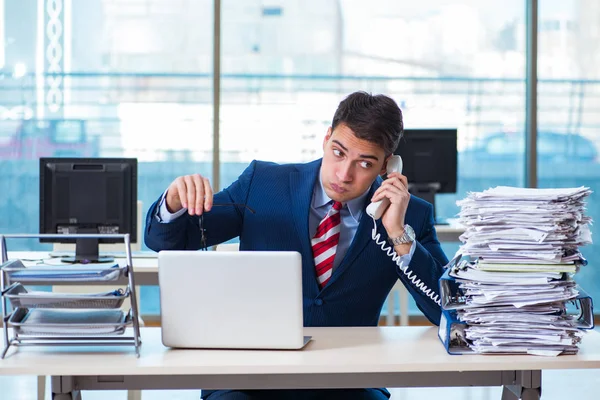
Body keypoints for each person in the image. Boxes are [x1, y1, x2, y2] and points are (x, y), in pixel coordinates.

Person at [145, 91, 449, 400]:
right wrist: (172, 202)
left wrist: (397, 232)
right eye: (339, 153)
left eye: (365, 163)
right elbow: (165, 240)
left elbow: (446, 311)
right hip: (248, 379)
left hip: (348, 381)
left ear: (387, 166)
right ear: (327, 138)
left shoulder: (410, 215)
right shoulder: (263, 184)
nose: (344, 175)